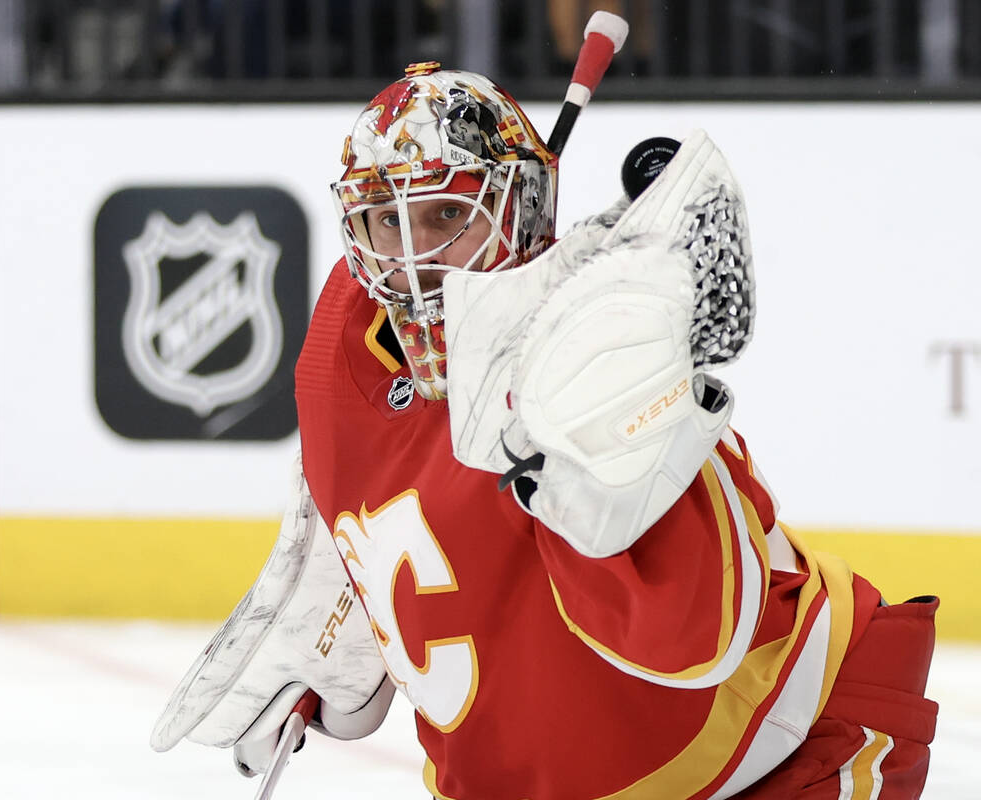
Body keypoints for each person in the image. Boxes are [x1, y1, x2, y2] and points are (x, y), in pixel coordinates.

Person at [152, 62, 939, 800]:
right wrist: (334, 614)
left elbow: (693, 640)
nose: (411, 258)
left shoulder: (595, 352)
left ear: (521, 205)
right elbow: (365, 481)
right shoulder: (338, 340)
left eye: (445, 216)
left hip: (781, 748)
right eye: (381, 223)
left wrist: (570, 444)